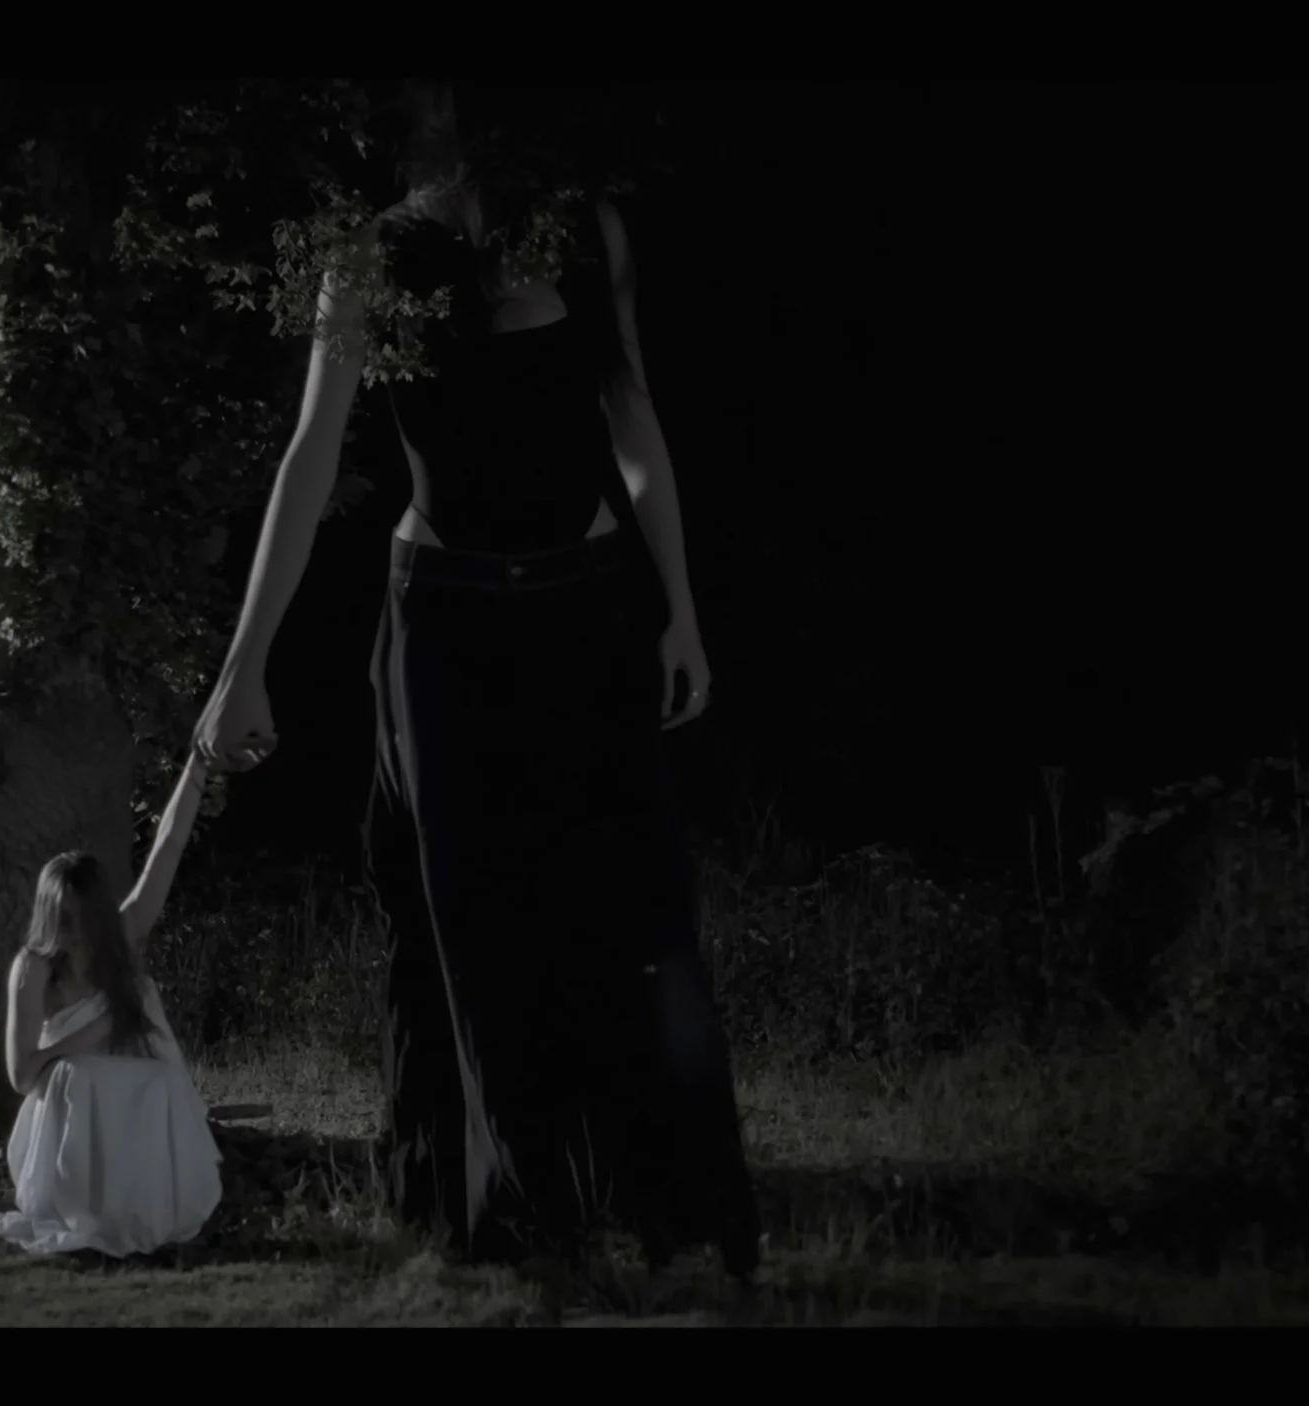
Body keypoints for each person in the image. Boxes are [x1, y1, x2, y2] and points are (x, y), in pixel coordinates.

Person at [191, 81, 761, 1276]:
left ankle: (673, 1215)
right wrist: (242, 671)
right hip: (443, 623)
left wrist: (682, 615)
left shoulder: (584, 227)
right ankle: (524, 1227)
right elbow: (307, 464)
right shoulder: (371, 257)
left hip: (593, 605)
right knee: (476, 923)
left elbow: (634, 424)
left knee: (629, 908)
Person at [0, 748, 224, 1258]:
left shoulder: (122, 937)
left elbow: (168, 848)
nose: (72, 931)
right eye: (63, 918)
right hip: (67, 1104)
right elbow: (22, 1075)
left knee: (155, 1076)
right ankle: (85, 1210)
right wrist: (86, 1038)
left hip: (133, 1091)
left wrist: (198, 764)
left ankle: (147, 1210)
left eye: (81, 918)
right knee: (80, 1075)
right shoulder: (33, 968)